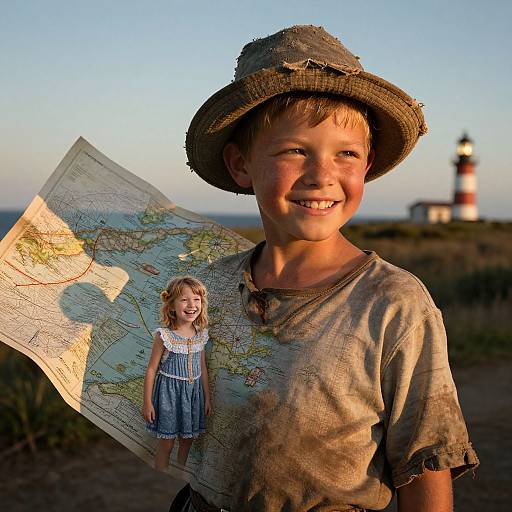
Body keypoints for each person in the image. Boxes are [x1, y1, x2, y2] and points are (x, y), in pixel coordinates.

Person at [171, 25, 479, 511]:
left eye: (346, 154)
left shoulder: (394, 302)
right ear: (240, 165)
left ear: (367, 164)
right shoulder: (205, 289)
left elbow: (426, 460)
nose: (322, 176)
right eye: (295, 150)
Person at [143, 275, 212, 471]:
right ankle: (161, 474)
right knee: (167, 442)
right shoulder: (164, 336)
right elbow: (151, 370)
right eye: (184, 299)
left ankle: (179, 473)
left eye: (196, 299)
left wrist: (207, 397)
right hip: (170, 395)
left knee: (187, 440)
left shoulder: (200, 334)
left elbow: (203, 368)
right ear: (171, 306)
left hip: (193, 395)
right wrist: (147, 402)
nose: (192, 305)